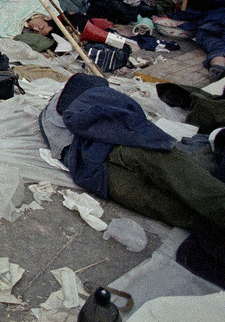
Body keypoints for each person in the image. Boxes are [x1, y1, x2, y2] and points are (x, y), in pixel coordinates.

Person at [40, 73, 225, 235]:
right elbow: (127, 113)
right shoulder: (91, 92)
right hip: (115, 149)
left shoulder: (48, 118)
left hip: (95, 172)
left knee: (166, 205)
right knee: (183, 180)